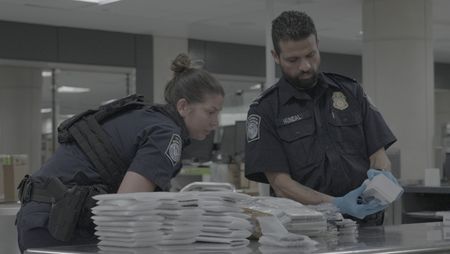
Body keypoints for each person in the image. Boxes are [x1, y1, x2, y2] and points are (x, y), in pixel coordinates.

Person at [15, 53, 224, 252]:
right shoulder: (166, 134)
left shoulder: (146, 117)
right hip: (60, 224)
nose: (215, 122)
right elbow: (126, 205)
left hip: (45, 216)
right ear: (183, 106)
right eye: (210, 112)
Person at [245, 11, 399, 226]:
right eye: (293, 60)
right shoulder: (265, 109)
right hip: (308, 228)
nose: (305, 66)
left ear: (317, 44)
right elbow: (281, 183)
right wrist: (337, 204)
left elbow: (378, 155)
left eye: (311, 54)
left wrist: (381, 180)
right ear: (275, 56)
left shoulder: (351, 92)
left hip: (367, 224)